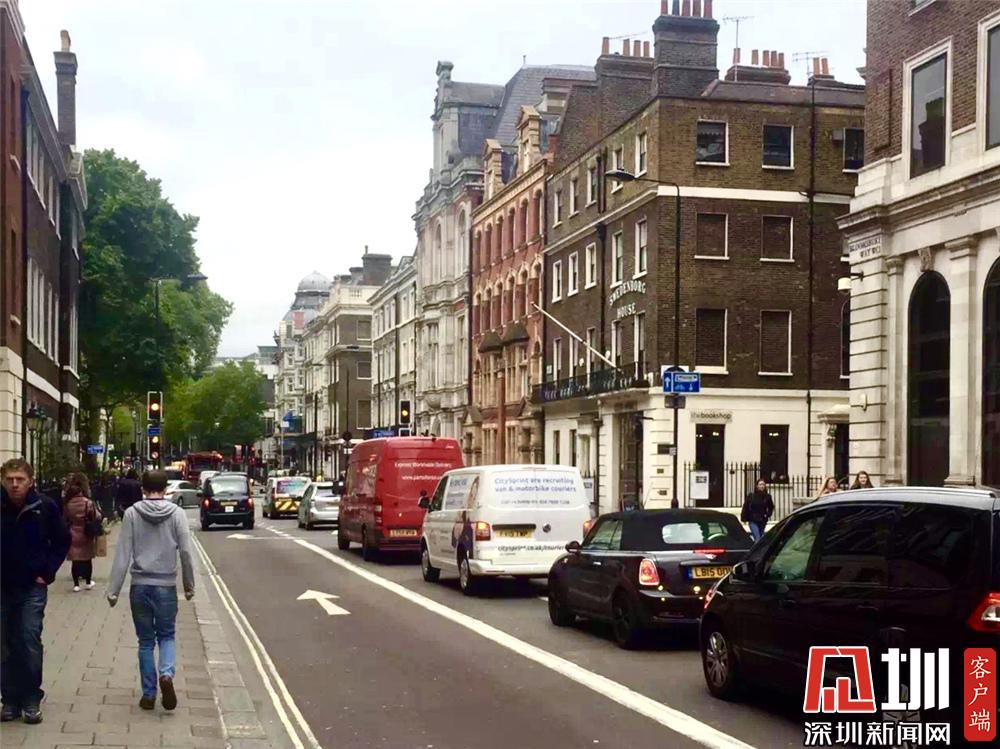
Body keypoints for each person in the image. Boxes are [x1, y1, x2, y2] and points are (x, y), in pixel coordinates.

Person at [107, 470, 195, 712]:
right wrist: (188, 585)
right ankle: (166, 674)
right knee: (167, 636)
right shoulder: (177, 514)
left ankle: (148, 694)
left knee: (145, 642)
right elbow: (186, 552)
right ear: (165, 489)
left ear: (142, 489)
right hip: (166, 586)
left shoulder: (132, 513)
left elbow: (123, 553)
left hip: (140, 586)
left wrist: (113, 590)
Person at [0, 458, 71, 725]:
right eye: (10, 479)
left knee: (28, 638)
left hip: (32, 585)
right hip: (2, 586)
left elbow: (62, 540)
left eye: (20, 479)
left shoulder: (44, 506)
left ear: (30, 481)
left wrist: (47, 572)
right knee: (4, 643)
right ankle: (10, 699)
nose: (14, 484)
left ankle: (31, 698)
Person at [63, 472, 101, 592]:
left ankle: (76, 585)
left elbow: (65, 517)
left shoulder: (68, 503)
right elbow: (96, 516)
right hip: (85, 532)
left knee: (75, 559)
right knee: (87, 558)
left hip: (73, 531)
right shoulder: (87, 502)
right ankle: (88, 582)